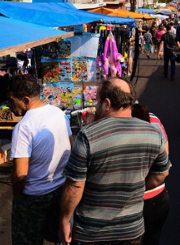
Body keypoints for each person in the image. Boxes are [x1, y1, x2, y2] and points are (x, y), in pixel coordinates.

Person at [59, 77, 171, 245]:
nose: (96, 106)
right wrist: (136, 187)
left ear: (106, 103)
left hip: (91, 232)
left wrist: (64, 220)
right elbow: (162, 173)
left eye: (97, 101)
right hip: (131, 229)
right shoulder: (152, 133)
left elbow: (75, 185)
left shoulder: (88, 135)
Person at [7, 75, 72, 244]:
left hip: (33, 197)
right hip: (58, 189)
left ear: (26, 100)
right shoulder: (58, 113)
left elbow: (20, 174)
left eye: (11, 100)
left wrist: (16, 196)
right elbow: (70, 147)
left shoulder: (23, 127)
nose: (9, 106)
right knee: (56, 235)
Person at [131, 104, 170, 245]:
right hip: (156, 196)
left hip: (128, 202)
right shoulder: (154, 121)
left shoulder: (113, 128)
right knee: (152, 238)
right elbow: (163, 168)